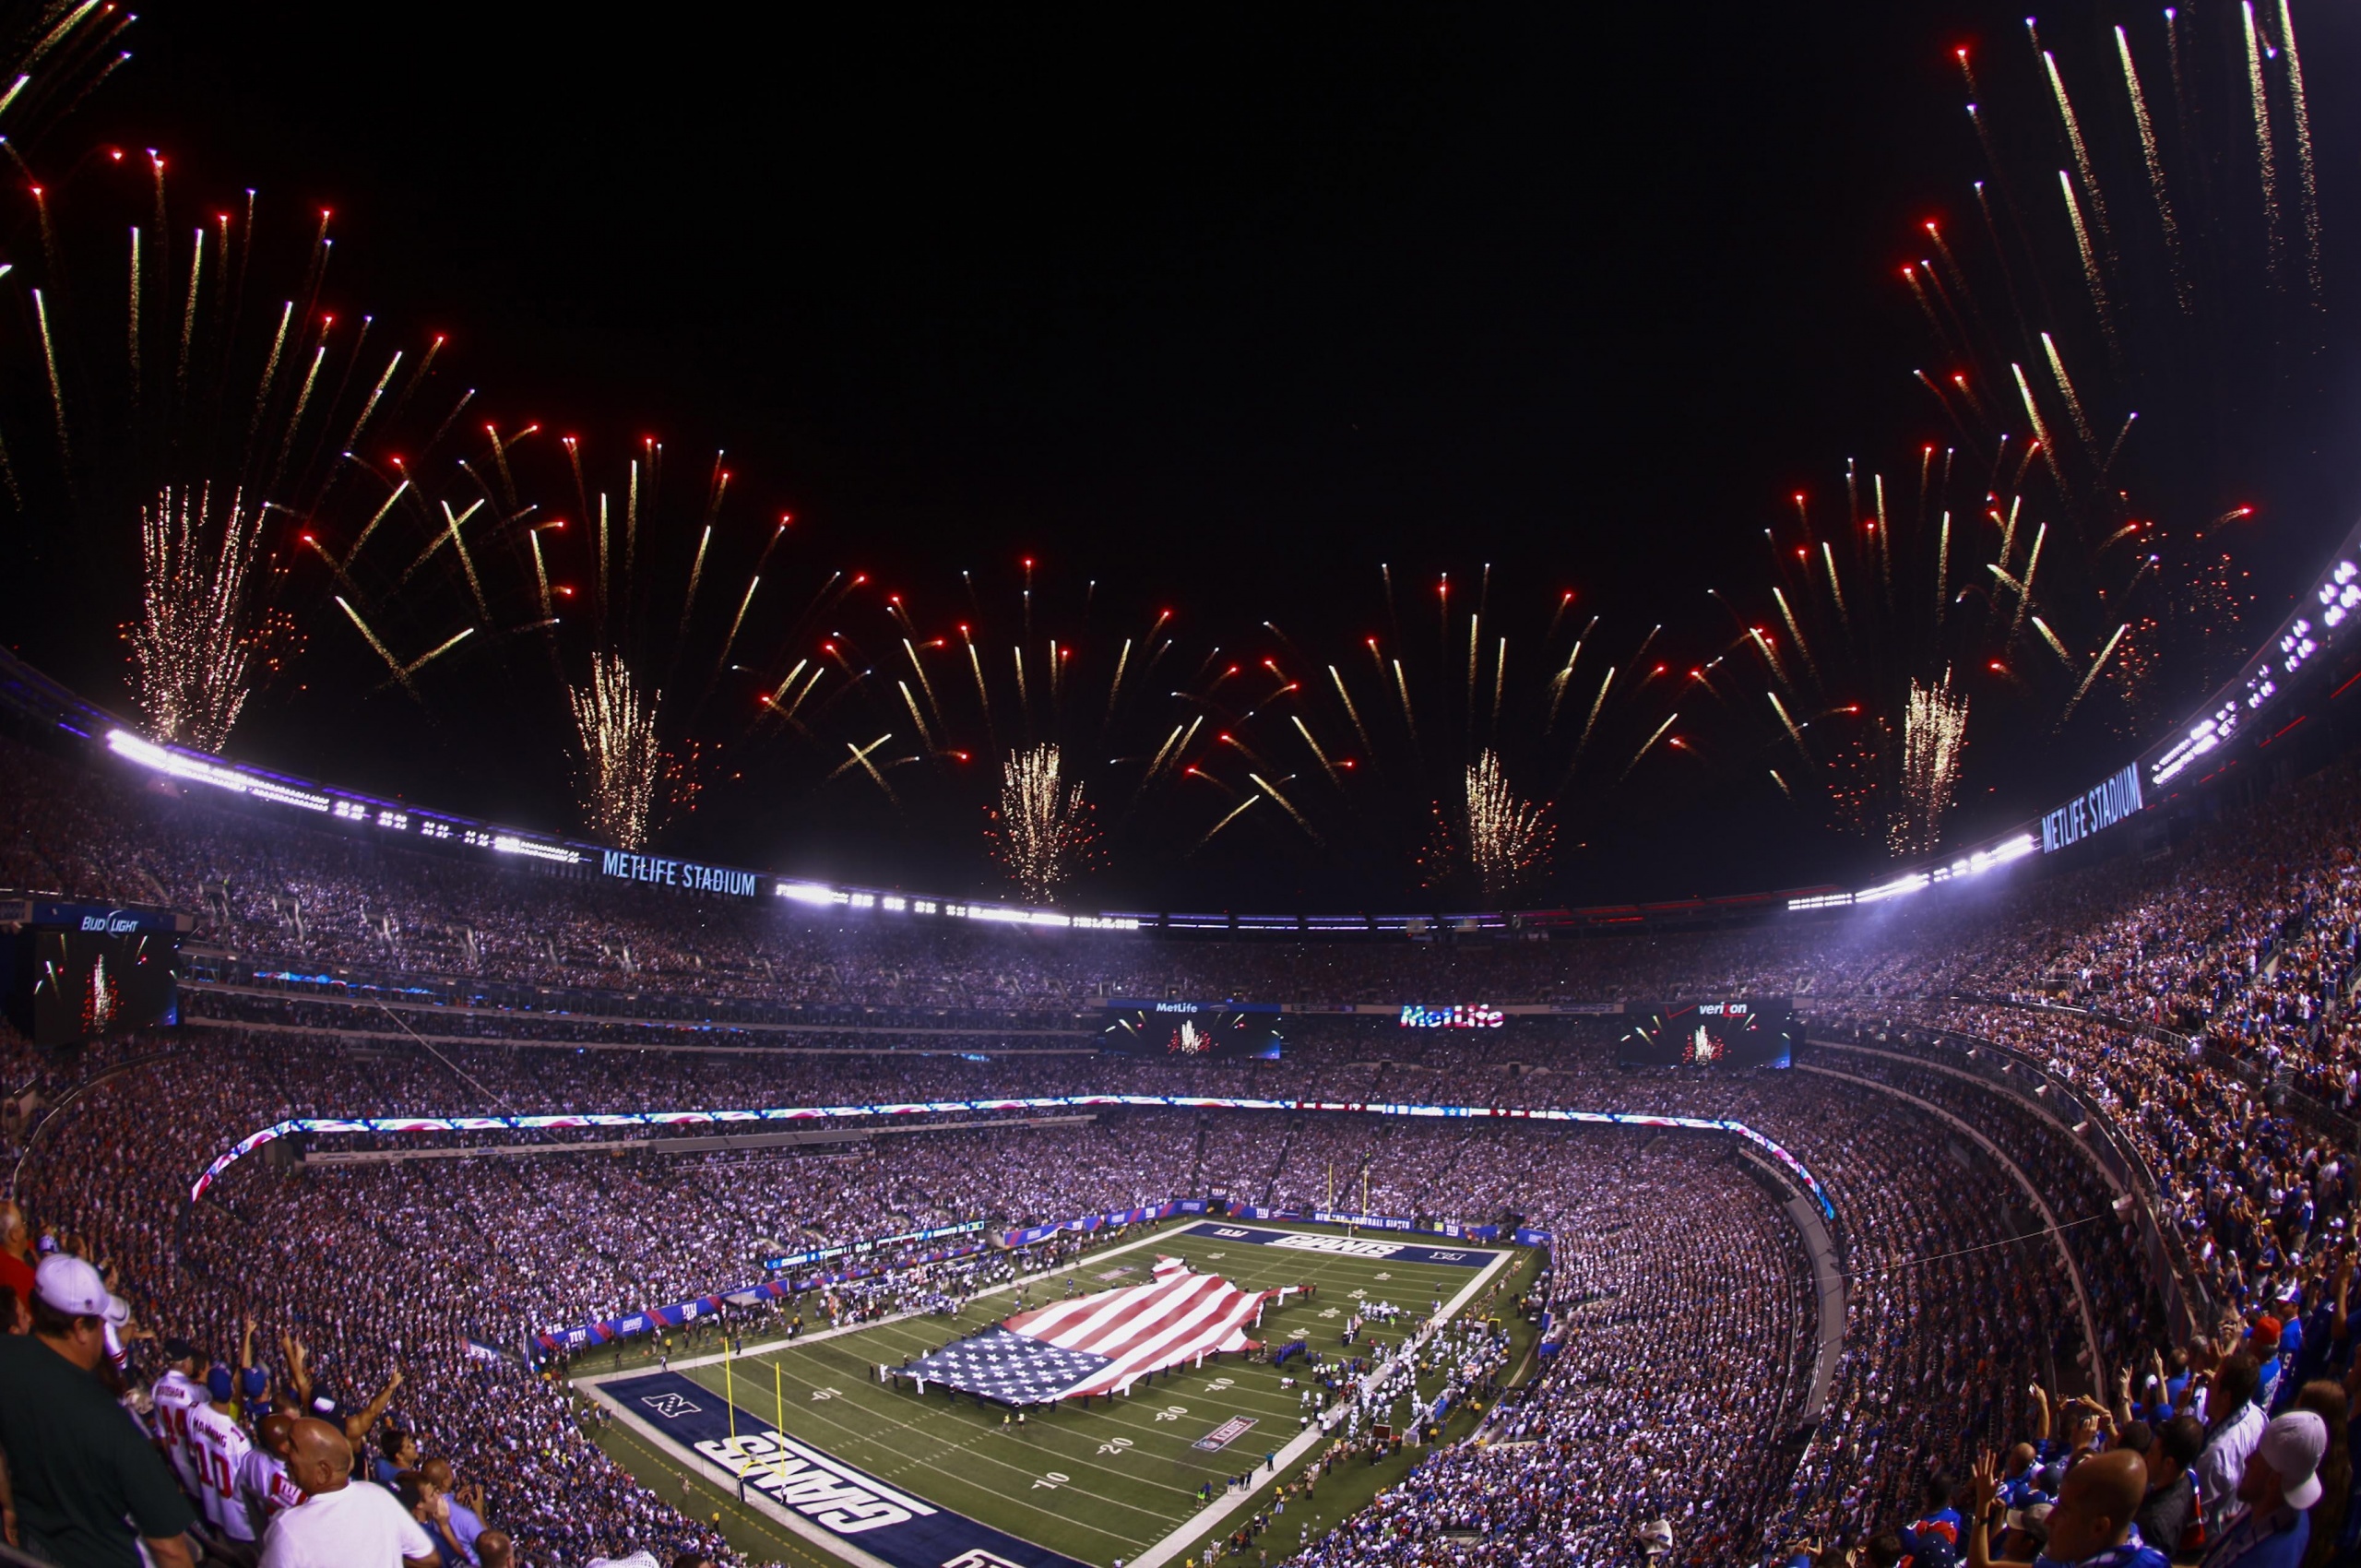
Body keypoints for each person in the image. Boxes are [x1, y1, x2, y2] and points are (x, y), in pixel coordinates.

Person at [0, 1254, 197, 1567]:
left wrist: (8, 1504)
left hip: (32, 1545)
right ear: (80, 1328)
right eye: (101, 1323)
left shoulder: (6, 1358)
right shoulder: (114, 1427)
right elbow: (171, 1551)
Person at [257, 1417, 437, 1568]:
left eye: (293, 1446)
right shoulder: (378, 1495)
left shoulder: (289, 1529)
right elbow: (429, 1559)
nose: (283, 1449)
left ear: (323, 1472)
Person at [1969, 1446, 2160, 1568]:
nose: (2050, 1520)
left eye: (2063, 1511)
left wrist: (1982, 1506)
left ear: (2099, 1527)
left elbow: (1980, 1565)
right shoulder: (2154, 1560)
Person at [2201, 1411, 2327, 1568]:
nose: (2247, 1460)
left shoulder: (2262, 1561)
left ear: (2273, 1481)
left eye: (2257, 1458)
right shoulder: (2299, 1517)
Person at [190, 1363, 261, 1562]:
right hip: (238, 1521)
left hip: (211, 1505)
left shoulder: (194, 1412)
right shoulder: (237, 1439)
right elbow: (248, 1486)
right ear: (231, 1391)